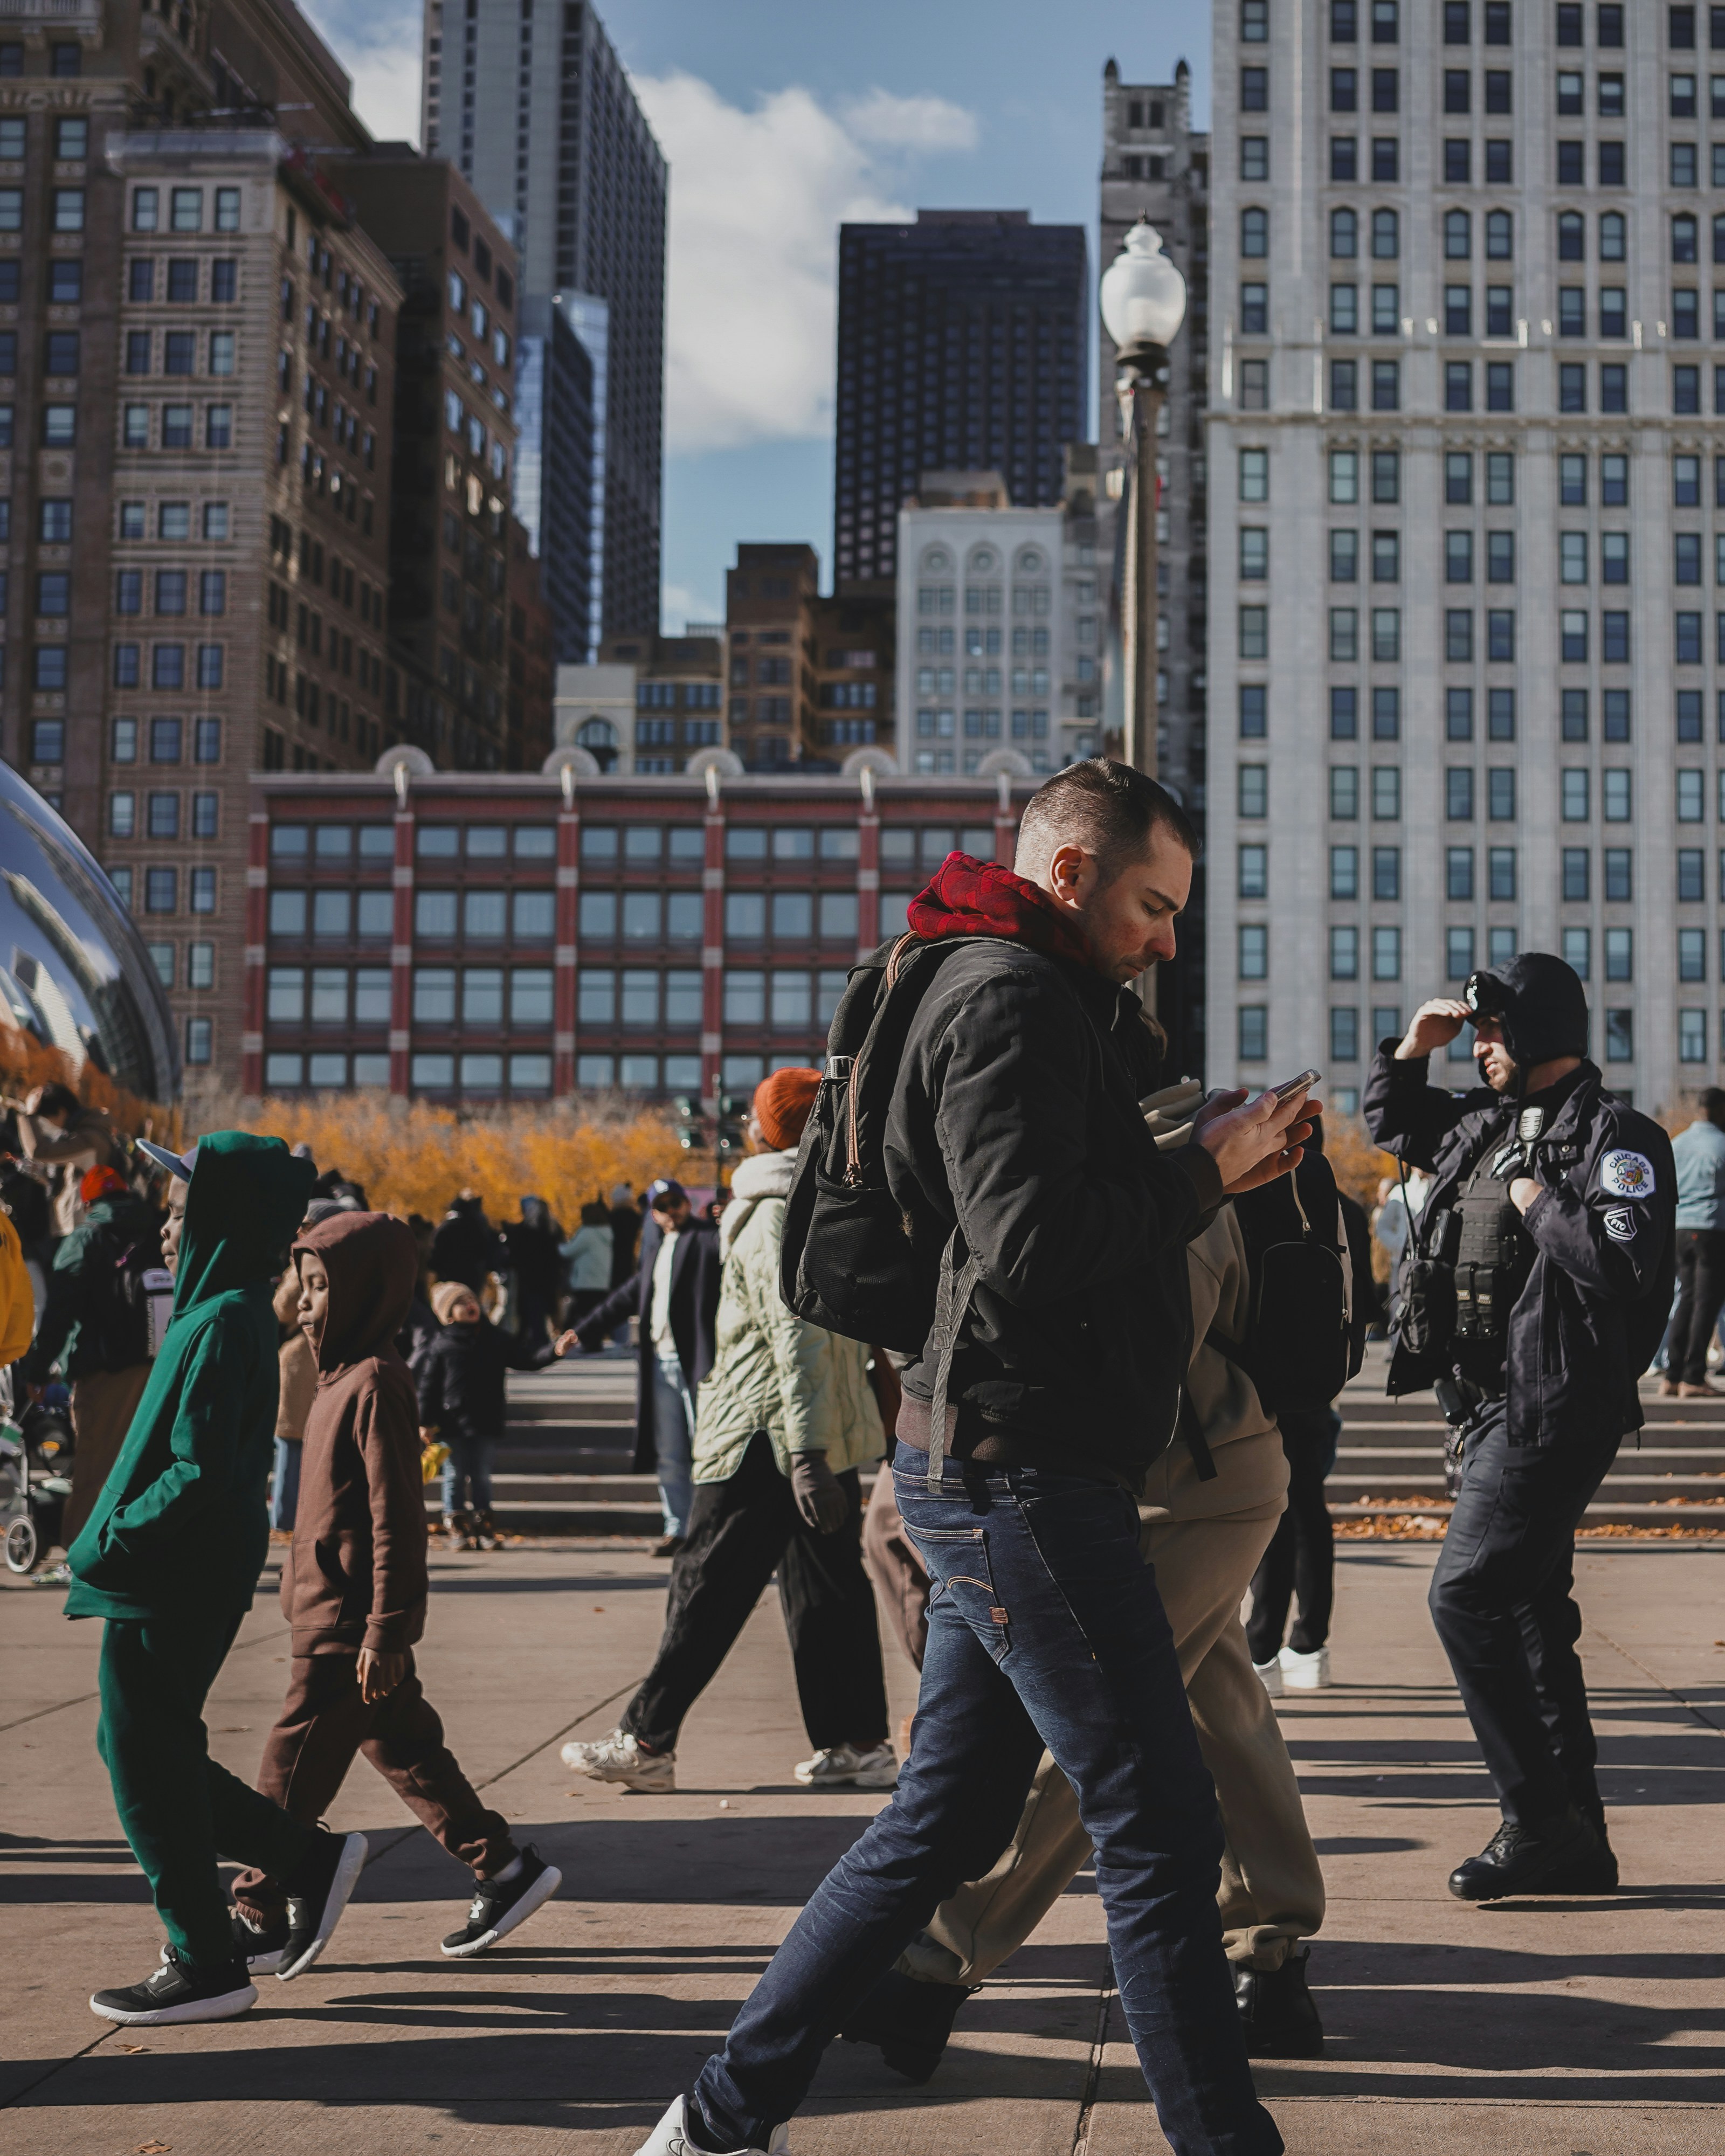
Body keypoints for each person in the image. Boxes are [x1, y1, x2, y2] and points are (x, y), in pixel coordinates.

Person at [632, 760, 1310, 2156]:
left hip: (996, 1461)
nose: (1167, 939)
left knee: (942, 1822)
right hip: (1016, 1473)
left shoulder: (1017, 987)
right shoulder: (1004, 997)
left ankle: (714, 2120)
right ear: (1070, 874)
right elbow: (1035, 1241)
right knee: (1160, 1824)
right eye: (1151, 905)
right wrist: (1210, 1172)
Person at [844, 1078, 1329, 2079]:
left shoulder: (1152, 1151)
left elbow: (1142, 1360)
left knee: (1091, 1735)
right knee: (1216, 1710)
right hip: (1190, 1476)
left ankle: (937, 1962)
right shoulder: (1109, 1139)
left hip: (1182, 1486)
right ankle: (1271, 1960)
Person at [1365, 956, 1676, 1902]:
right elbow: (1393, 1125)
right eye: (1480, 1031)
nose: (1484, 1045)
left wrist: (1541, 1200)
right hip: (1486, 1408)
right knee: (1533, 1616)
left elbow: (1621, 1270)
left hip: (1553, 1406)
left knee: (1464, 1597)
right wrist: (1408, 1053)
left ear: (1543, 1032)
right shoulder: (1484, 1123)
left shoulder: (1618, 1137)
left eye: (1496, 1030)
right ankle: (1578, 1840)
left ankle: (1536, 1822)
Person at [65, 1133, 367, 2028]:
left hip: (169, 1573)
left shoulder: (225, 1317)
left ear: (221, 1215)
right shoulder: (219, 1310)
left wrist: (114, 1534)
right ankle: (296, 1864)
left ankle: (203, 1957)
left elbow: (197, 1470)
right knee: (138, 1749)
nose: (169, 1219)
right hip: (170, 1570)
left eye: (182, 1200)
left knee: (143, 1760)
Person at [230, 1211, 561, 1967]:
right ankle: (505, 1871)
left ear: (365, 1293)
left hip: (348, 1623)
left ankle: (257, 1907)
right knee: (409, 1751)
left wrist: (386, 1628)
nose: (307, 1302)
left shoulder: (375, 1381)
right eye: (303, 1285)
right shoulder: (337, 1377)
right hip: (327, 1609)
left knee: (291, 1763)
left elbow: (396, 1519)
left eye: (321, 1287)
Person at [565, 1069, 896, 1797]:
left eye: (754, 1119)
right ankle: (859, 1744)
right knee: (828, 1588)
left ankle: (647, 1739)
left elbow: (798, 1339)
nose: (744, 1128)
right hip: (811, 1432)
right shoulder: (821, 1202)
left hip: (765, 1432)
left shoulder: (773, 1209)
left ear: (772, 1133)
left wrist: (804, 1454)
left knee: (706, 1581)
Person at [1245, 1134, 1376, 1694]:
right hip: (1318, 1382)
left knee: (1269, 1515)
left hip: (1257, 1380)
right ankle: (1309, 1642)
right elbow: (1363, 1298)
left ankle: (1262, 1646)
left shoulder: (1249, 1197)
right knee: (1309, 1509)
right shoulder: (1343, 1208)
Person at [18, 1164, 163, 1559]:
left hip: (104, 1372)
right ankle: (139, 1546)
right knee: (146, 1462)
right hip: (160, 1365)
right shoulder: (159, 1229)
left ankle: (80, 1556)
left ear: (87, 1202)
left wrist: (36, 1370)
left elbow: (59, 1313)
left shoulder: (87, 1239)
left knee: (95, 1466)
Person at [576, 1178, 721, 1557]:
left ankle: (710, 1530)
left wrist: (729, 1220)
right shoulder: (655, 1246)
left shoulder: (708, 1238)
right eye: (663, 1206)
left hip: (698, 1364)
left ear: (688, 1204)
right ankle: (678, 1528)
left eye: (678, 1203)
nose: (672, 1211)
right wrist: (581, 1330)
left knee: (706, 1451)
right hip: (659, 1362)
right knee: (670, 1452)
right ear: (653, 1213)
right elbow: (630, 1294)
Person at [416, 1280, 577, 1547]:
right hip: (451, 1422)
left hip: (485, 1420)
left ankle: (484, 1528)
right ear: (447, 1314)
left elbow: (526, 1360)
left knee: (481, 1474)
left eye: (470, 1299)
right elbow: (428, 1387)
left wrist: (555, 1351)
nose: (470, 1305)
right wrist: (425, 1422)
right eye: (460, 1303)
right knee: (454, 1475)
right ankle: (458, 1528)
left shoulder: (495, 1338)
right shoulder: (441, 1344)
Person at [1662, 1086, 1725, 1398]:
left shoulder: (1677, 1143)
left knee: (1686, 1299)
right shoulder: (1722, 1144)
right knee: (1706, 1302)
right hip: (1711, 1229)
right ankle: (1694, 1376)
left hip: (1679, 1229)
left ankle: (1672, 1375)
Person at [6, 1082, 127, 1241]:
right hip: (79, 1223)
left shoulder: (89, 1139)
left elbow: (39, 1151)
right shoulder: (90, 1131)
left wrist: (29, 1116)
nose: (49, 1126)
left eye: (47, 1120)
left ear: (61, 1112)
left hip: (79, 1226)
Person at [502, 1196, 564, 1344]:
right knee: (536, 1313)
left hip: (531, 1280)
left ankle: (533, 1342)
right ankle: (531, 1341)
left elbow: (515, 1257)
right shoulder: (552, 1229)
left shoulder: (525, 1231)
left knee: (531, 1313)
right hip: (546, 1279)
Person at [429, 1190, 503, 1298]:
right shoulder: (479, 1225)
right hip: (474, 1275)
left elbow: (436, 1253)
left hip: (449, 1276)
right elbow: (487, 1249)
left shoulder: (447, 1226)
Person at [561, 1200, 614, 1330]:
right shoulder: (607, 1233)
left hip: (585, 1281)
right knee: (594, 1315)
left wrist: (556, 1246)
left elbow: (569, 1251)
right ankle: (594, 1341)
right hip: (602, 1281)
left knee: (577, 1313)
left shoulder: (587, 1233)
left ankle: (565, 1340)